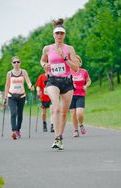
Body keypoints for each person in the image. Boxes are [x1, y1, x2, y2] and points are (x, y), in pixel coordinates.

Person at [40, 18, 79, 150]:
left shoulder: (69, 49)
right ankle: (56, 137)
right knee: (56, 108)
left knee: (64, 112)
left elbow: (76, 68)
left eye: (61, 33)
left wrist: (65, 57)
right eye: (57, 33)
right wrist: (45, 65)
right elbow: (42, 61)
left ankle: (59, 138)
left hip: (67, 82)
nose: (59, 35)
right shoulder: (47, 48)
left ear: (64, 35)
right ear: (53, 34)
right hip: (53, 81)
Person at [4, 56, 34, 140]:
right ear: (12, 64)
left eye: (18, 62)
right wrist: (5, 97)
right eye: (14, 62)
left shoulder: (23, 72)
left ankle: (18, 130)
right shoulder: (9, 73)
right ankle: (13, 131)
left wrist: (30, 86)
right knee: (13, 113)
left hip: (21, 96)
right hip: (11, 96)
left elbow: (28, 81)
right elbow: (7, 85)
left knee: (20, 114)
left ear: (20, 62)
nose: (16, 63)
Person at [69, 55, 91, 137]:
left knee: (79, 113)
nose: (75, 63)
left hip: (80, 94)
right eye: (74, 62)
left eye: (77, 61)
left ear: (80, 62)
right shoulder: (69, 71)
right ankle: (75, 130)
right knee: (73, 114)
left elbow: (88, 80)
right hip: (70, 95)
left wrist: (86, 86)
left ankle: (81, 124)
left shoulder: (84, 71)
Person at [35, 66, 54, 133]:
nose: (47, 69)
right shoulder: (41, 77)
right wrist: (38, 91)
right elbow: (38, 86)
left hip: (52, 96)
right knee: (44, 113)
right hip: (44, 97)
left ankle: (52, 125)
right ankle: (44, 123)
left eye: (49, 67)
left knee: (52, 111)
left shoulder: (53, 76)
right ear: (44, 69)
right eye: (46, 67)